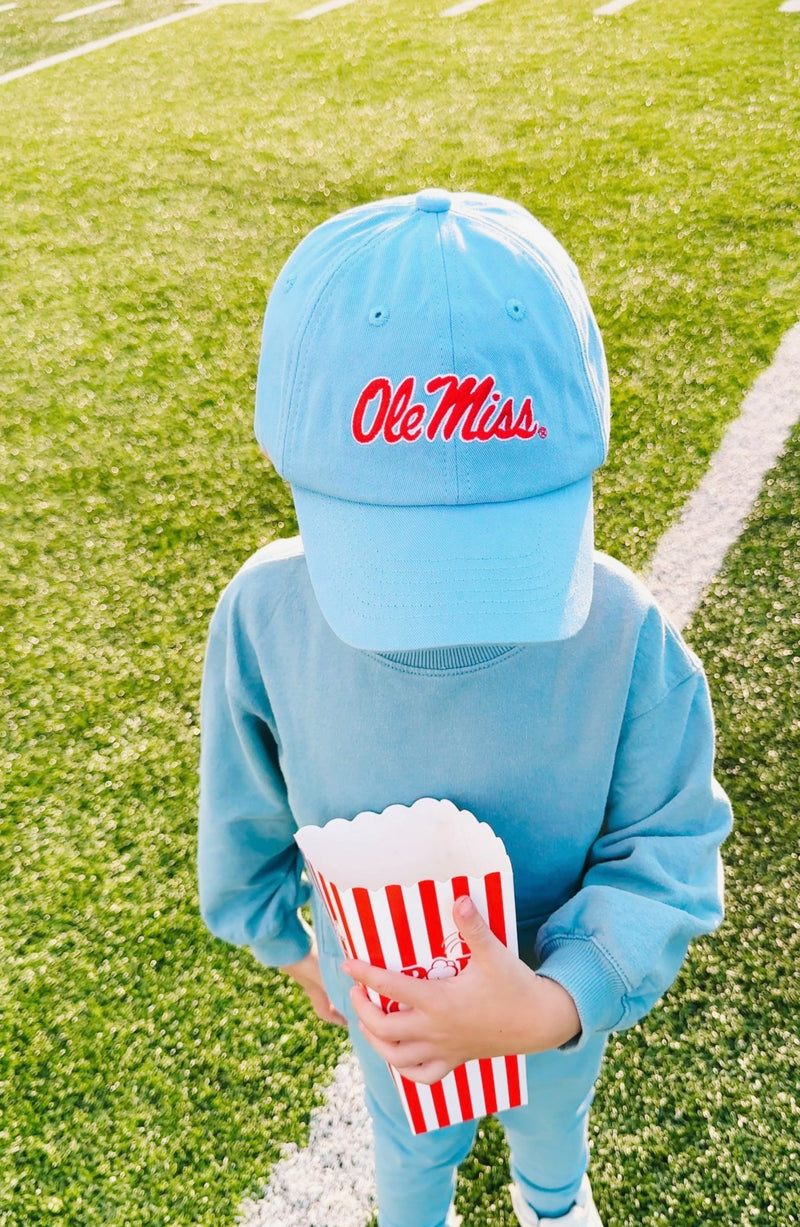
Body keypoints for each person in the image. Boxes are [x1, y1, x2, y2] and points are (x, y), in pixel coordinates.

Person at [197, 189, 732, 1227]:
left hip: (548, 1006)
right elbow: (241, 806)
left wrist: (552, 1002)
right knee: (410, 1141)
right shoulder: (264, 613)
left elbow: (669, 839)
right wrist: (293, 944)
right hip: (386, 1002)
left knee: (547, 1121)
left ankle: (551, 1203)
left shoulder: (622, 631)